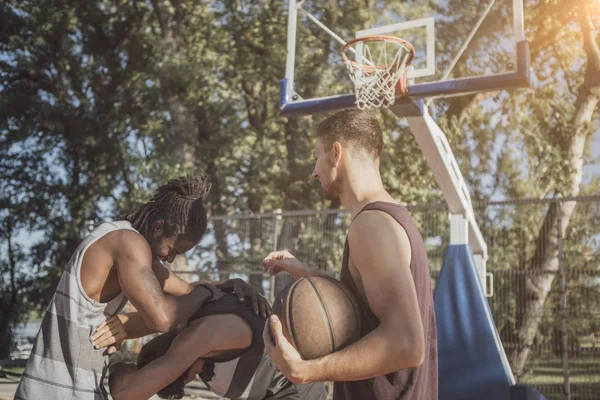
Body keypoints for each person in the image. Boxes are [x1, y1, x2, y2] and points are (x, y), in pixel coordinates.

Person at [15, 175, 267, 400]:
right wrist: (207, 292)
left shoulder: (132, 248)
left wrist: (228, 284)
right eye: (173, 250)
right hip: (56, 390)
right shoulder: (127, 243)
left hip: (76, 386)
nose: (170, 259)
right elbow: (163, 318)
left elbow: (185, 290)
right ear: (158, 226)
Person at [261, 110, 438, 400]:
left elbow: (407, 343)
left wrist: (306, 370)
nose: (314, 171)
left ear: (336, 153)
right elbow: (368, 310)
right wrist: (306, 273)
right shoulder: (392, 218)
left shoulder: (371, 226)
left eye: (316, 156)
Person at [107, 291, 327, 400]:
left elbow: (125, 393)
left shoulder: (205, 334)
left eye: (192, 371)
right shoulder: (191, 334)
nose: (200, 371)